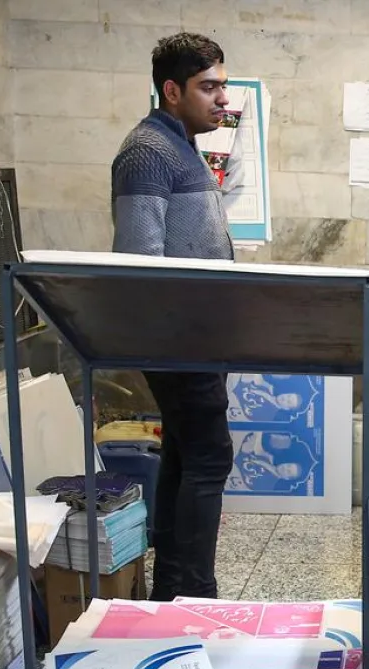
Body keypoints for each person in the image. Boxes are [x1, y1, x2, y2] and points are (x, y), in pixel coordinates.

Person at [111, 33, 234, 601]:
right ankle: (196, 596)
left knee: (187, 456)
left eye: (222, 86)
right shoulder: (147, 151)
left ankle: (171, 594)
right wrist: (179, 333)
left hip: (197, 336)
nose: (222, 99)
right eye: (208, 87)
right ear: (171, 90)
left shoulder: (179, 145)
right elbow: (140, 263)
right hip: (178, 338)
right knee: (209, 456)